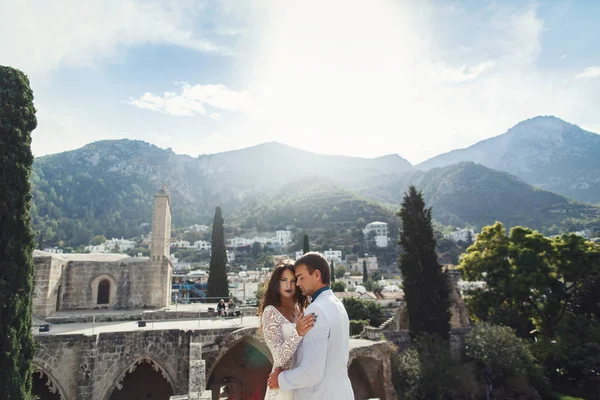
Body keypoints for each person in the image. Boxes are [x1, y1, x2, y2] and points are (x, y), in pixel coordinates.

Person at [267, 252, 354, 399]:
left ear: (317, 275)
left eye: (300, 278)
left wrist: (280, 380)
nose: (298, 283)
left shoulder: (316, 310)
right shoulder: (337, 304)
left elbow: (311, 373)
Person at [260, 260, 316, 400]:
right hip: (282, 385)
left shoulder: (301, 309)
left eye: (293, 280)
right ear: (276, 283)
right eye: (283, 280)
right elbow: (278, 358)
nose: (288, 285)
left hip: (303, 382)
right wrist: (298, 332)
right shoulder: (270, 312)